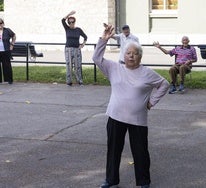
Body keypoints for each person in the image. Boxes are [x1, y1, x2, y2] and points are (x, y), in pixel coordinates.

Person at [92, 23, 169, 188]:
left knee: (140, 152)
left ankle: (144, 182)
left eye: (135, 54)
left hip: (138, 119)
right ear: (124, 55)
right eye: (128, 53)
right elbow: (96, 59)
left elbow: (164, 84)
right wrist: (103, 40)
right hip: (115, 116)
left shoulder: (147, 73)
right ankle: (111, 180)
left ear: (140, 57)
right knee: (113, 151)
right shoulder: (114, 68)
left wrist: (151, 102)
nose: (131, 56)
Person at [62, 10, 87, 86]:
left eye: (72, 22)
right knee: (69, 65)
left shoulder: (78, 30)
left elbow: (85, 37)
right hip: (68, 49)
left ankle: (80, 81)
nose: (71, 23)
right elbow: (62, 20)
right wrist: (69, 14)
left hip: (77, 49)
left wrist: (82, 44)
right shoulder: (67, 29)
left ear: (75, 22)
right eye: (69, 22)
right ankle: (69, 82)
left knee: (78, 66)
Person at [0, 18, 16, 84]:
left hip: (6, 50)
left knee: (7, 65)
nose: (0, 25)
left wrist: (12, 44)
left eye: (1, 23)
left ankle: (9, 80)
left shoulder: (7, 30)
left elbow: (14, 36)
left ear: (3, 24)